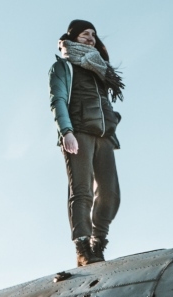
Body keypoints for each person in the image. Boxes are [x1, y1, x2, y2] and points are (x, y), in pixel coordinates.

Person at [48, 20, 125, 267]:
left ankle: (98, 242)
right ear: (73, 37)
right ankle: (82, 245)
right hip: (78, 132)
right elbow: (58, 99)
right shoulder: (64, 67)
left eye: (93, 34)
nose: (90, 38)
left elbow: (104, 103)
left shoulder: (99, 68)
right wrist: (66, 132)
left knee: (111, 194)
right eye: (84, 34)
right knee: (81, 192)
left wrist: (113, 119)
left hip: (104, 136)